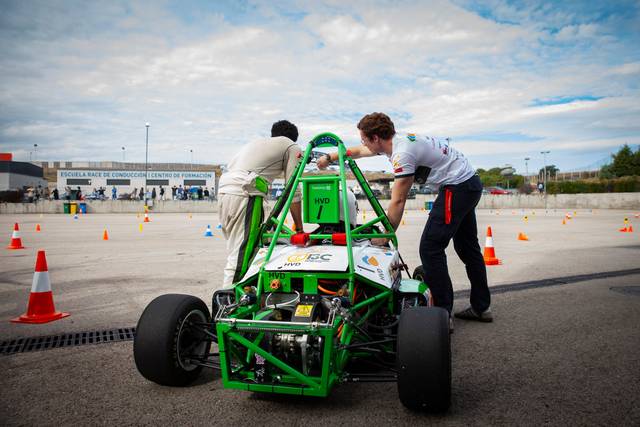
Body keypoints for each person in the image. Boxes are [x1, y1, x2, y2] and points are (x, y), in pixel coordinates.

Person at [317, 112, 491, 329]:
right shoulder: (398, 142)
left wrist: (385, 235)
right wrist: (331, 157)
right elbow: (360, 151)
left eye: (364, 139)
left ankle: (442, 315)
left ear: (376, 139)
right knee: (467, 248)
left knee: (431, 248)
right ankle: (481, 307)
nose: (363, 143)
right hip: (469, 183)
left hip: (457, 188)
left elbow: (398, 200)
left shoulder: (402, 154)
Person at [218, 120, 304, 288]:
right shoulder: (291, 146)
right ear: (294, 138)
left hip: (224, 192)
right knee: (241, 255)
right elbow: (293, 188)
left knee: (240, 250)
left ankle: (248, 289)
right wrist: (299, 228)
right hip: (245, 193)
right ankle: (228, 302)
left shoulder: (255, 144)